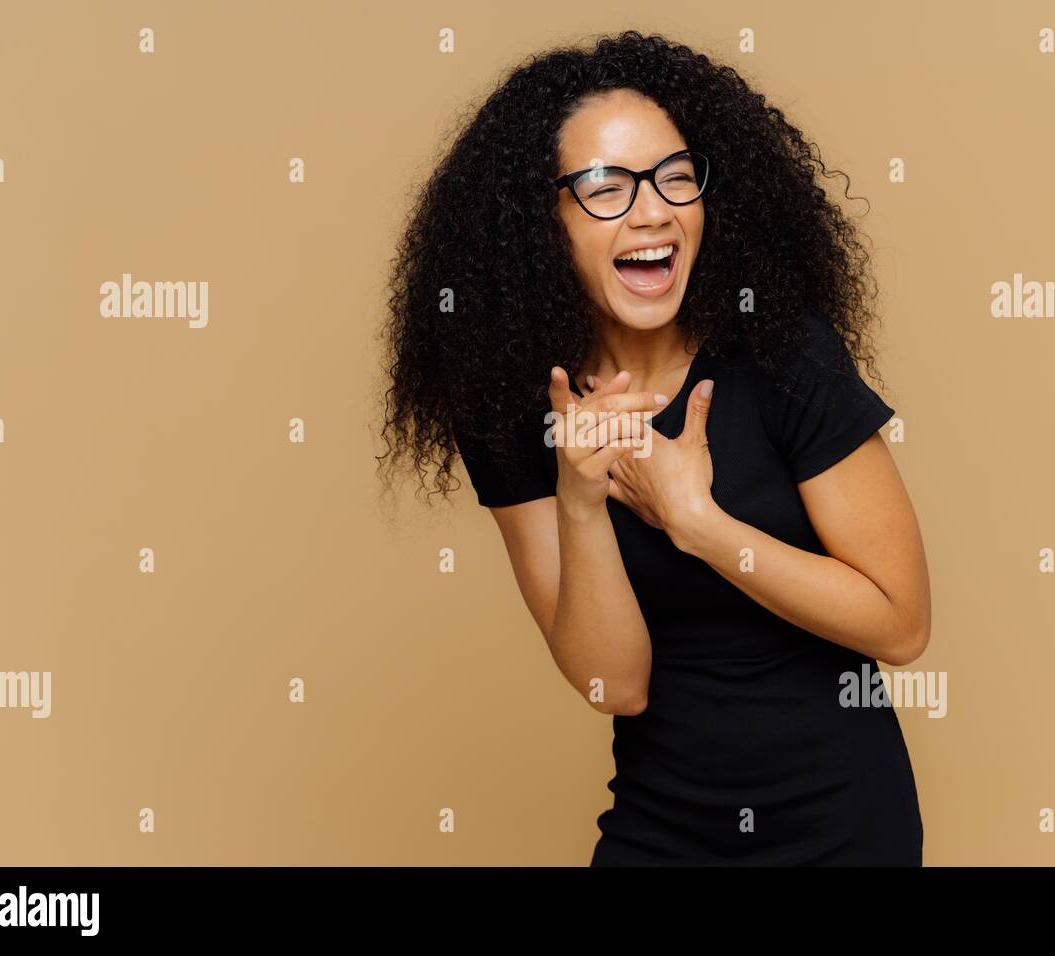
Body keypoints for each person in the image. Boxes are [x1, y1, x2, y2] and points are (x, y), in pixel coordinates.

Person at [377, 31, 931, 865]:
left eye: (676, 177)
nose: (653, 210)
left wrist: (697, 522)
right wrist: (579, 499)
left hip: (842, 825)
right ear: (542, 220)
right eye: (605, 186)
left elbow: (901, 626)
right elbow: (618, 686)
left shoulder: (783, 356)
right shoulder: (507, 402)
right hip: (659, 828)